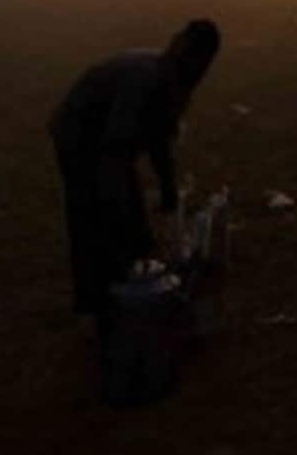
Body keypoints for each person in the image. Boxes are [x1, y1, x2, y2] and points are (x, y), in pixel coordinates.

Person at [50, 19, 221, 322]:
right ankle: (99, 300)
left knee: (125, 215)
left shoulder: (172, 81)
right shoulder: (147, 81)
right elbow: (114, 149)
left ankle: (121, 284)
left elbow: (159, 139)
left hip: (108, 138)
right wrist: (118, 206)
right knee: (92, 215)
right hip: (79, 132)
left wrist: (167, 186)